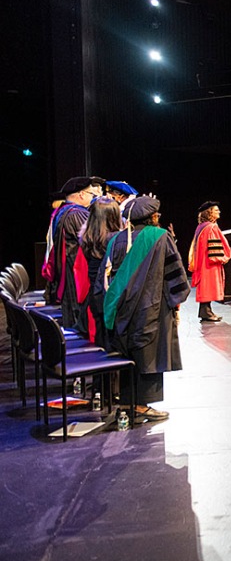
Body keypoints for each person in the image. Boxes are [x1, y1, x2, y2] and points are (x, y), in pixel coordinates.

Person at [94, 196, 191, 421]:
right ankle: (140, 405)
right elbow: (175, 275)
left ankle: (126, 401)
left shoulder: (115, 240)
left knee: (127, 354)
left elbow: (103, 279)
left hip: (120, 311)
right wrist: (174, 301)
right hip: (151, 309)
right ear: (153, 217)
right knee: (148, 356)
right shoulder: (159, 237)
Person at [46, 176, 105, 333]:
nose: (94, 199)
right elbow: (94, 240)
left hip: (68, 271)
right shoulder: (76, 214)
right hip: (75, 273)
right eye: (92, 195)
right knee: (78, 318)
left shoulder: (62, 210)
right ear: (81, 194)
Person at [76, 196, 123, 345]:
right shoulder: (117, 240)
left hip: (94, 296)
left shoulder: (86, 239)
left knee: (101, 337)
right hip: (112, 296)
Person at [188, 201, 231, 322]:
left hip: (201, 261)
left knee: (205, 286)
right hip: (209, 263)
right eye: (216, 210)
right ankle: (206, 312)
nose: (219, 212)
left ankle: (206, 311)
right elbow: (214, 248)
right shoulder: (211, 227)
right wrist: (221, 258)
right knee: (208, 286)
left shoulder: (201, 227)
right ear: (209, 212)